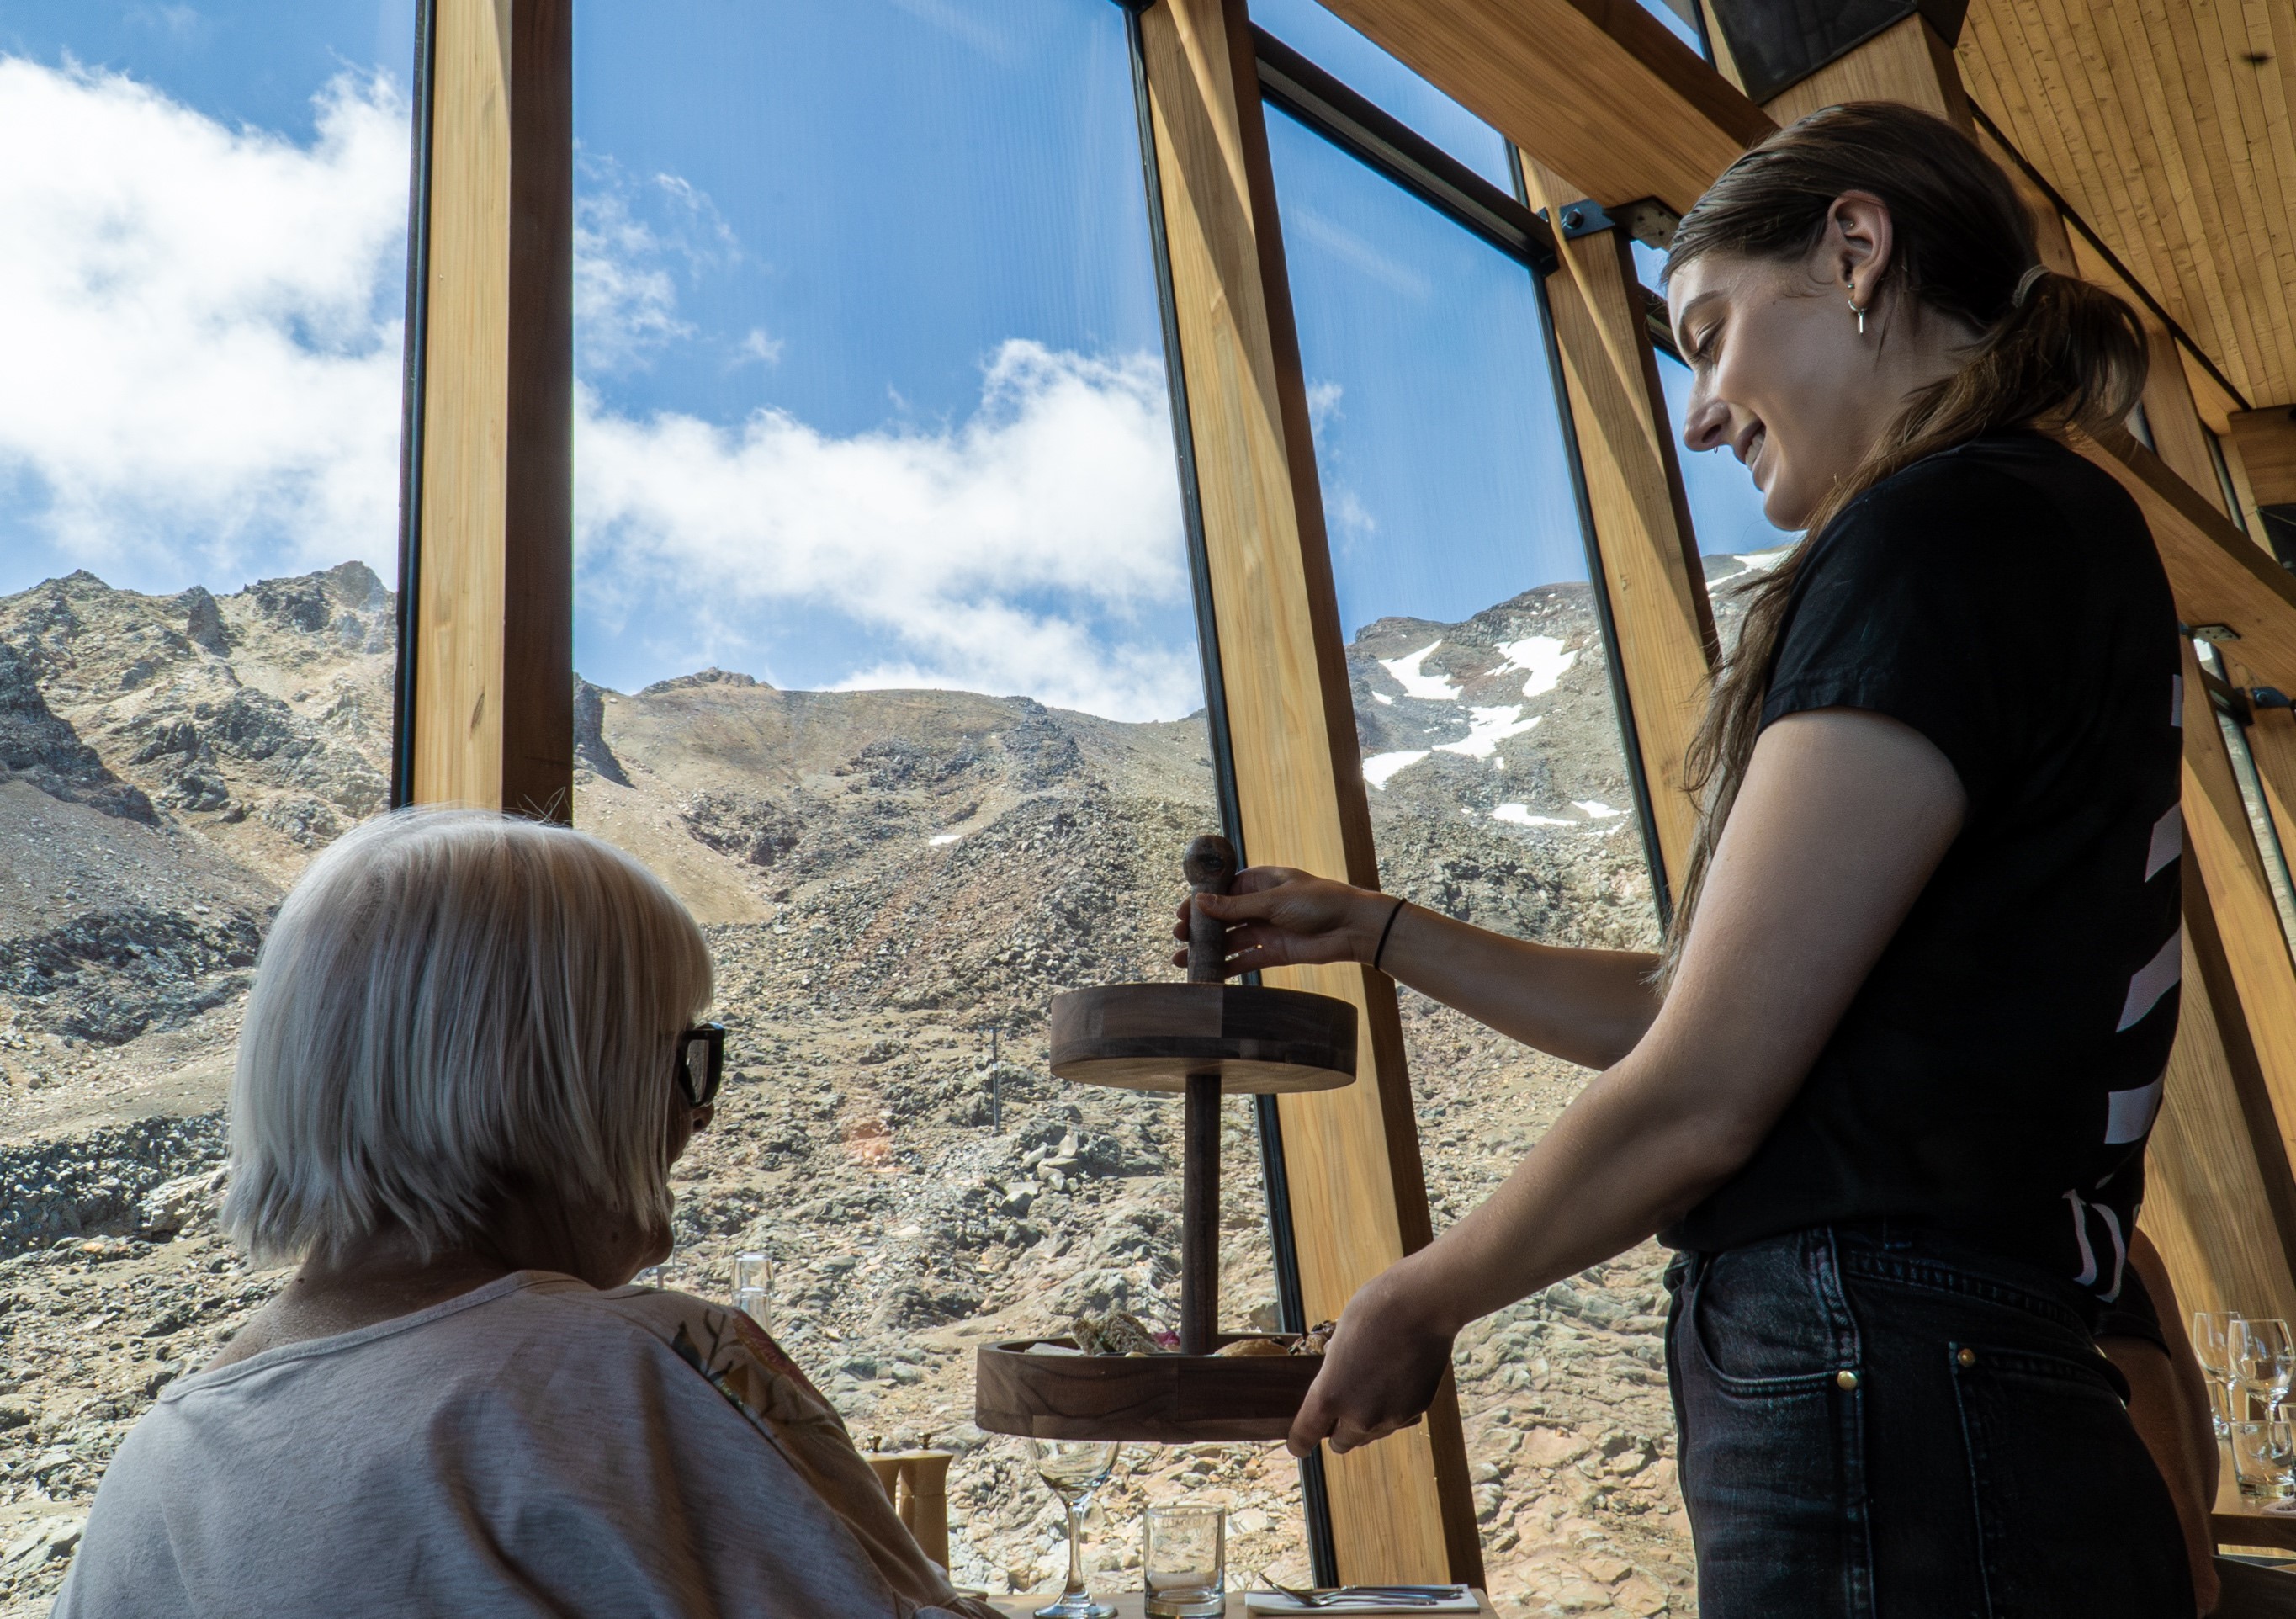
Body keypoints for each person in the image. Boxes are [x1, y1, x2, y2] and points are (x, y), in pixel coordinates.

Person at [1185, 102, 2194, 1614]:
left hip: (1881, 1366)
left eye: (1709, 331)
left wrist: (1417, 1292)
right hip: (1959, 1362)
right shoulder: (2039, 528)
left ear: (1854, 250)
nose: (1698, 411)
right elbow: (1712, 1003)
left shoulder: (1937, 534)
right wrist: (1380, 928)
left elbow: (1706, 1082)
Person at [56, 809, 992, 1619]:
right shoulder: (661, 1366)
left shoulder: (151, 1467)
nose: (696, 1111)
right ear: (562, 1076)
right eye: (681, 1056)